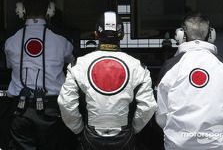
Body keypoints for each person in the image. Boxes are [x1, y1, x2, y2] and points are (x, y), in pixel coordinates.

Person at [58, 11, 157, 150]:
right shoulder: (138, 66)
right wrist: (133, 129)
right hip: (124, 135)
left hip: (90, 134)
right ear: (122, 35)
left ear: (96, 34)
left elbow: (66, 103)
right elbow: (148, 106)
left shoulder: (78, 65)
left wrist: (79, 129)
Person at [155, 12, 223, 150]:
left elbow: (161, 114)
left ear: (180, 35)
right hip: (219, 146)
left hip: (178, 146)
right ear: (211, 35)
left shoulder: (170, 67)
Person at [4, 0, 74, 150]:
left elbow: (8, 66)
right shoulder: (61, 41)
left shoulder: (11, 41)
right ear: (50, 9)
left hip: (20, 109)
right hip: (51, 109)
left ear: (22, 9)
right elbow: (70, 62)